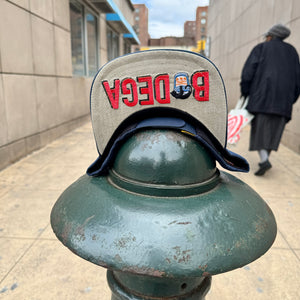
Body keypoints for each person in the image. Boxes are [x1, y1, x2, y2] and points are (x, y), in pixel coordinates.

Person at [240, 24, 300, 176]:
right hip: (283, 102)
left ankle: (264, 160)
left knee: (260, 130)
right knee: (274, 132)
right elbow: (298, 80)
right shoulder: (292, 52)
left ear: (270, 36)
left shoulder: (261, 48)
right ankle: (265, 158)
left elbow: (248, 73)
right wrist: (291, 99)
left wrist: (246, 92)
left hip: (261, 99)